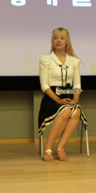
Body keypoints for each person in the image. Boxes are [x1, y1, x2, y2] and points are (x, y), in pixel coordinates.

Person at [38, 27, 87, 162]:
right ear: (52, 41)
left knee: (76, 111)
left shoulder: (74, 61)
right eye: (55, 38)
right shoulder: (46, 59)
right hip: (51, 98)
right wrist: (58, 100)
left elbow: (77, 84)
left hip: (69, 96)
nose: (58, 40)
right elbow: (44, 85)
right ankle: (47, 149)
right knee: (66, 110)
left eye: (62, 38)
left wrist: (75, 99)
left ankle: (59, 148)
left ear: (67, 41)